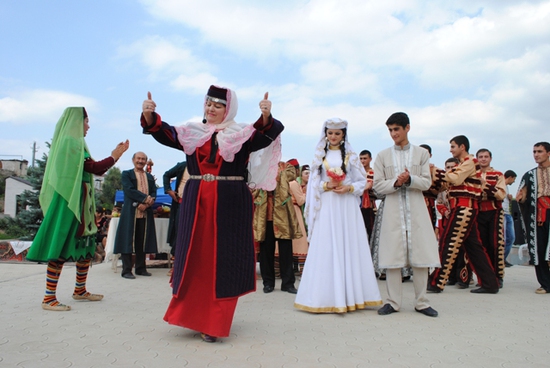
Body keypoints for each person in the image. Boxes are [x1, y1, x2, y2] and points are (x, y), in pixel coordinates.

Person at [140, 86, 283, 342]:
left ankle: (214, 323)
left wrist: (265, 115)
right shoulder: (191, 133)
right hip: (196, 201)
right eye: (208, 104)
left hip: (230, 201)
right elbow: (164, 133)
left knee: (223, 259)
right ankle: (190, 315)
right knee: (196, 256)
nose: (211, 109)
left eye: (218, 105)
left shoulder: (241, 134)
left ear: (229, 109)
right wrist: (150, 115)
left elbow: (267, 133)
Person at [26, 107, 129, 311]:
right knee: (61, 244)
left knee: (85, 241)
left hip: (81, 200)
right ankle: (48, 298)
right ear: (76, 121)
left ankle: (80, 290)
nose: (88, 126)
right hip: (68, 202)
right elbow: (93, 168)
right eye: (86, 121)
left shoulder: (77, 142)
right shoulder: (69, 142)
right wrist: (115, 156)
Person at [294, 118, 382, 313]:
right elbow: (312, 185)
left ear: (343, 135)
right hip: (327, 205)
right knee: (326, 245)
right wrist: (327, 185)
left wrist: (349, 187)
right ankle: (323, 297)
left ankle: (353, 296)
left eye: (337, 133)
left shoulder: (351, 156)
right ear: (326, 133)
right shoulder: (319, 156)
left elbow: (362, 181)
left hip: (347, 206)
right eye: (330, 133)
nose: (333, 136)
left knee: (349, 245)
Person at [373, 112, 440, 318]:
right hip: (393, 211)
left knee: (421, 255)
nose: (393, 134)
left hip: (416, 211)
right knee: (393, 256)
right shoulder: (383, 156)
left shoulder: (421, 154)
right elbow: (377, 186)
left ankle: (421, 302)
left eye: (397, 129)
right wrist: (396, 182)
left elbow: (427, 182)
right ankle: (392, 302)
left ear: (407, 128)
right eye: (390, 130)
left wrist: (410, 179)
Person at [428, 135, 500, 294]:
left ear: (462, 147)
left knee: (448, 243)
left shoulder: (470, 163)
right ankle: (490, 283)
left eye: (453, 146)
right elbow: (448, 182)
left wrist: (434, 170)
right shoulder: (464, 164)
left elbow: (454, 178)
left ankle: (435, 282)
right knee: (474, 248)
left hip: (463, 209)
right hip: (464, 208)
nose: (450, 150)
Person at [253, 161, 302, 294]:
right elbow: (253, 189)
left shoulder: (286, 166)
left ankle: (288, 283)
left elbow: (292, 175)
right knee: (266, 252)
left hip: (282, 216)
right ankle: (268, 283)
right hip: (265, 215)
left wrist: (276, 174)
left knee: (286, 251)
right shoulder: (259, 167)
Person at [114, 152, 158, 279]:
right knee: (128, 240)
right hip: (131, 212)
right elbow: (129, 190)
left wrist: (149, 203)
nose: (141, 161)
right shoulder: (127, 174)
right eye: (138, 158)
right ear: (133, 160)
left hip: (145, 213)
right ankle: (126, 270)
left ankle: (141, 268)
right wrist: (143, 200)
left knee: (142, 241)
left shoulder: (149, 177)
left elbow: (154, 192)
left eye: (143, 159)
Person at [516, 142, 550, 294]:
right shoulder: (529, 175)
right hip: (537, 216)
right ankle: (545, 283)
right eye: (534, 151)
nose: (536, 154)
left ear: (548, 153)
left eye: (540, 151)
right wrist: (521, 197)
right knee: (539, 248)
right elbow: (522, 196)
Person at [476, 148, 506, 287]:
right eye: (480, 156)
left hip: (494, 211)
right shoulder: (473, 174)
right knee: (481, 245)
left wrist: (485, 185)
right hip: (477, 212)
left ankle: (498, 276)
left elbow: (501, 195)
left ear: (490, 158)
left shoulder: (498, 174)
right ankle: (485, 277)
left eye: (486, 156)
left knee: (496, 244)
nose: (483, 159)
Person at [287, 159, 308, 274]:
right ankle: (300, 268)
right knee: (299, 239)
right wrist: (306, 193)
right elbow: (300, 201)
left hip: (288, 211)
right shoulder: (294, 183)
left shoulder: (285, 181)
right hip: (295, 210)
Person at [162, 162, 188, 257]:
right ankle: (176, 264)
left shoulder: (205, 166)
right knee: (180, 232)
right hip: (182, 203)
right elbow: (166, 175)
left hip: (199, 204)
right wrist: (168, 190)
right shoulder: (183, 165)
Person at [359, 149, 376, 241]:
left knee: (370, 228)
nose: (362, 161)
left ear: (370, 159)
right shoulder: (357, 173)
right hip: (358, 204)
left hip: (369, 205)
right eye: (361, 159)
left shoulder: (373, 173)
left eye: (365, 158)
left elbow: (371, 186)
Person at [503, 170, 517, 267]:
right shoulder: (500, 185)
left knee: (511, 238)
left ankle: (503, 258)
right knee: (504, 238)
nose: (514, 182)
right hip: (502, 213)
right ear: (510, 177)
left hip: (507, 214)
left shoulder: (506, 188)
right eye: (514, 179)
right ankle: (501, 259)